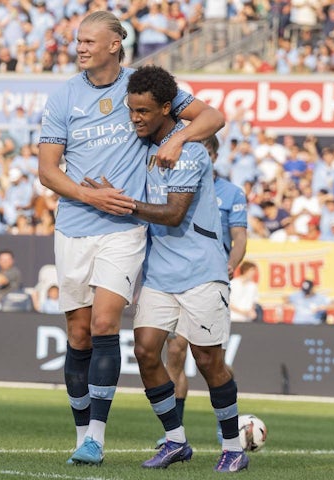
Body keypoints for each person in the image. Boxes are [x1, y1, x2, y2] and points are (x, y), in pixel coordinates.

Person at [37, 10, 224, 466]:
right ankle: (81, 434)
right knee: (78, 334)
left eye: (88, 41)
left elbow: (213, 117)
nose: (80, 47)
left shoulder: (143, 87)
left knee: (104, 325)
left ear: (114, 45)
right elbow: (46, 171)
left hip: (124, 228)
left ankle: (96, 438)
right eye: (78, 40)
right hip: (74, 226)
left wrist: (177, 141)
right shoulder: (64, 97)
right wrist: (88, 195)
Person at [86, 65, 247, 472]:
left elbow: (174, 214)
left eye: (143, 111)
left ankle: (232, 447)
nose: (135, 118)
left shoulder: (189, 150)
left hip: (201, 271)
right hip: (160, 272)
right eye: (131, 111)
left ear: (164, 108)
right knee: (144, 350)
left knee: (209, 361)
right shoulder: (142, 150)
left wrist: (123, 204)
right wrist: (106, 190)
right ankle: (175, 440)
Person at [157, 134, 249, 442]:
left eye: (206, 151)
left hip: (210, 279)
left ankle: (227, 428)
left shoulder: (230, 193)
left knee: (211, 361)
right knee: (175, 350)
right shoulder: (173, 187)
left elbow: (239, 238)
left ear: (214, 155)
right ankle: (174, 433)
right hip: (178, 278)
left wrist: (231, 264)